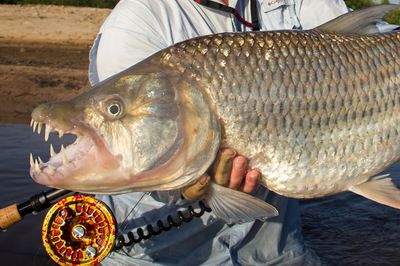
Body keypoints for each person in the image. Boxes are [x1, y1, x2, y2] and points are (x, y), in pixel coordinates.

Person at [89, 1, 351, 265]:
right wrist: (184, 187)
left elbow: (364, 40)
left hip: (273, 247)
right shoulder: (134, 22)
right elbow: (132, 153)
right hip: (158, 253)